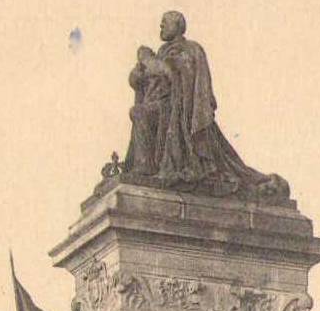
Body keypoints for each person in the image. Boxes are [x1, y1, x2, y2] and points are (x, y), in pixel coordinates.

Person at [122, 11, 289, 200]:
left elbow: (175, 73)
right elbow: (141, 80)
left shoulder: (190, 49)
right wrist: (139, 73)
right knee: (140, 112)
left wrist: (149, 61)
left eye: (164, 23)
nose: (160, 26)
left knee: (140, 113)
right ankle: (144, 165)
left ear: (177, 26)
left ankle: (144, 168)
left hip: (179, 109)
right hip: (161, 107)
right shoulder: (161, 52)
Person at [123, 46, 172, 176]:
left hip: (166, 105)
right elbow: (133, 80)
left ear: (151, 54)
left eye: (143, 54)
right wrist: (138, 69)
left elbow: (169, 74)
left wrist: (150, 65)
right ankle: (143, 161)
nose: (141, 58)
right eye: (139, 56)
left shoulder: (159, 63)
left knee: (139, 112)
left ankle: (146, 164)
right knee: (138, 112)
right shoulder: (143, 68)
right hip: (152, 105)